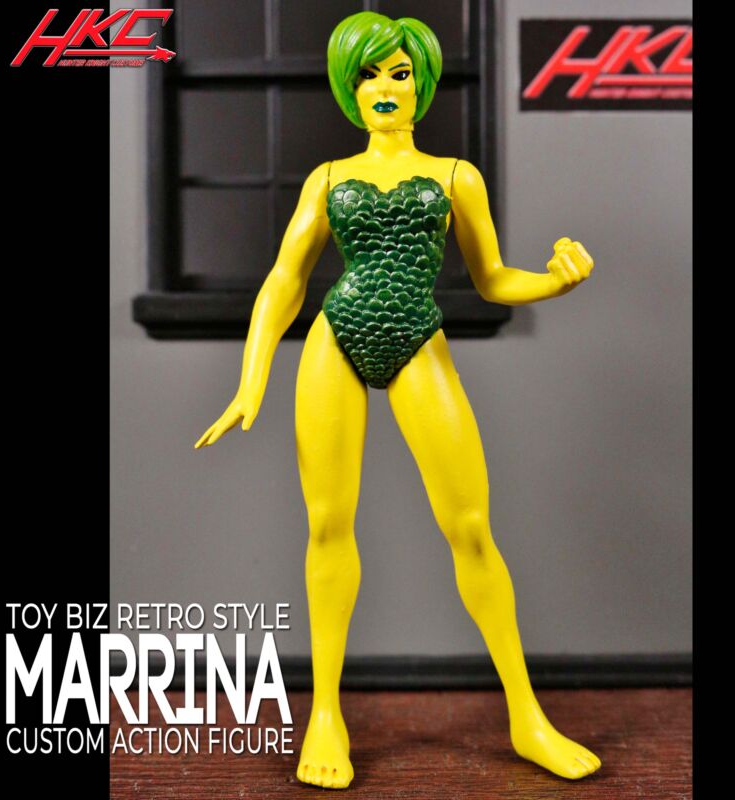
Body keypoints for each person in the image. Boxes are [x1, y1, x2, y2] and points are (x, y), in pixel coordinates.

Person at [195, 11, 597, 790]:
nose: (385, 87)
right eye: (369, 74)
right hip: (336, 337)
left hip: (417, 335)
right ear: (349, 89)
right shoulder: (328, 178)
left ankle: (527, 717)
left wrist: (553, 281)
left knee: (470, 527)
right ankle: (325, 713)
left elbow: (492, 279)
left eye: (400, 72)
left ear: (422, 83)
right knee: (326, 526)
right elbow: (285, 279)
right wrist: (251, 379)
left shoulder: (455, 177)